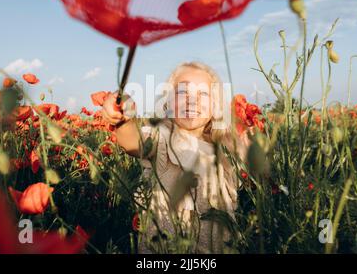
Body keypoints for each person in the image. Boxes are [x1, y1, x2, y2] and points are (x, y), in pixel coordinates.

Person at [100, 62, 248, 253]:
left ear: (215, 105)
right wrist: (123, 118)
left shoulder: (226, 149)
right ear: (168, 102)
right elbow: (134, 143)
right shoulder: (162, 137)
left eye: (203, 94)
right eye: (182, 92)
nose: (191, 100)